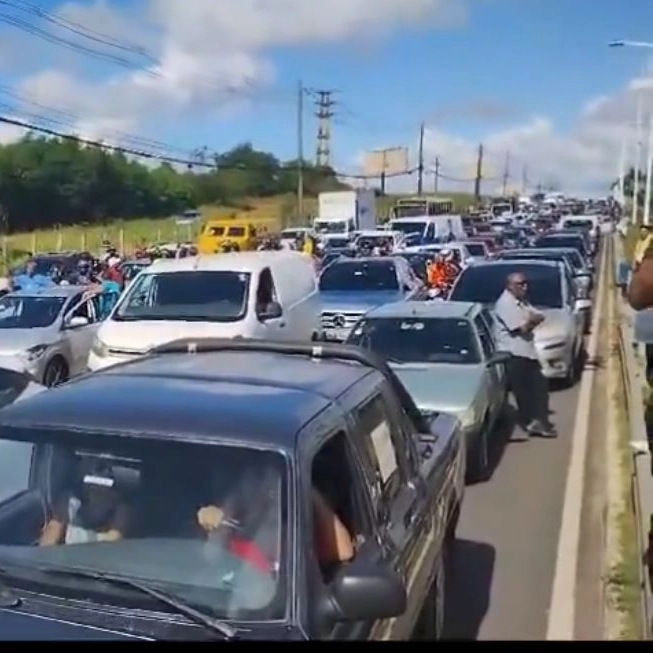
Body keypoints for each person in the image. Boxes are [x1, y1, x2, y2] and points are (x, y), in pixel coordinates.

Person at [494, 272, 555, 438]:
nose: (525, 287)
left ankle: (538, 422)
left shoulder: (521, 302)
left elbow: (538, 314)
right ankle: (532, 422)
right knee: (525, 393)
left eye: (526, 283)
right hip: (514, 354)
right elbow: (523, 328)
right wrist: (533, 320)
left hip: (527, 351)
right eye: (520, 284)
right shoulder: (505, 304)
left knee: (539, 388)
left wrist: (533, 319)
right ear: (510, 286)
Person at [39, 460, 131, 546]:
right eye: (94, 474)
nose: (99, 484)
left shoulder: (122, 511)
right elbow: (48, 544)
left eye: (106, 477)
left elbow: (112, 542)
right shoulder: (69, 503)